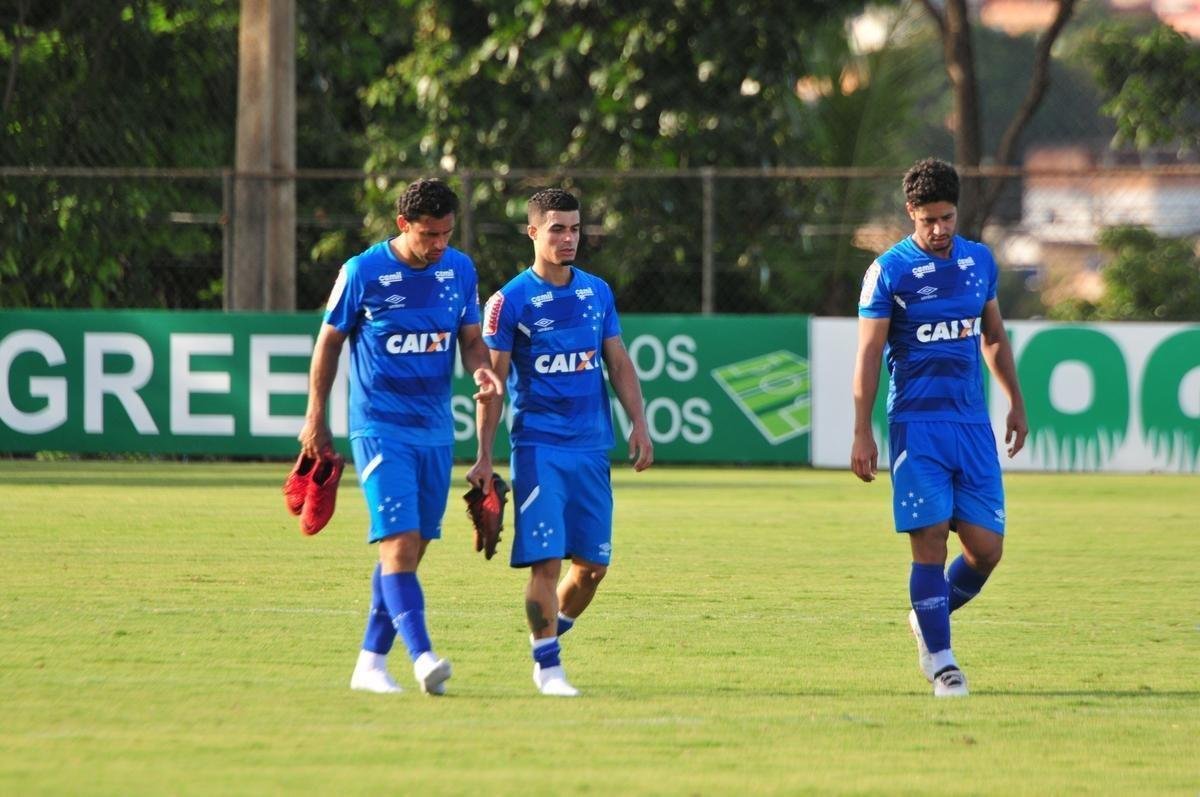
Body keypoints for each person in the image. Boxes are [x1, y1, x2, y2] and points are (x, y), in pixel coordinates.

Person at [298, 177, 502, 696]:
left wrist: (482, 371)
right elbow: (328, 344)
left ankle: (369, 664)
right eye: (429, 234)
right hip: (379, 426)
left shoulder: (459, 269)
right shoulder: (362, 272)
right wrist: (316, 417)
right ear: (403, 225)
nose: (439, 245)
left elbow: (472, 341)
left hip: (434, 430)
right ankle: (423, 657)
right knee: (400, 542)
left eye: (447, 234)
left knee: (411, 549)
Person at [850, 158, 1028, 698]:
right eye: (928, 220)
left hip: (971, 425)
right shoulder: (889, 271)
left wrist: (1015, 402)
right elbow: (869, 354)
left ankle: (927, 616)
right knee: (927, 542)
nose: (940, 229)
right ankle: (943, 663)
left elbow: (992, 337)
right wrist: (863, 430)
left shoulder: (979, 261)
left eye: (947, 217)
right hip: (917, 426)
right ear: (911, 215)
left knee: (986, 549)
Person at [467, 188, 654, 697]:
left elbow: (617, 362)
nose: (569, 238)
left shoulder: (597, 292)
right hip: (539, 447)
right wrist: (484, 455)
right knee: (546, 562)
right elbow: (493, 385)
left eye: (575, 229)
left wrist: (638, 422)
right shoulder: (510, 301)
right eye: (557, 229)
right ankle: (547, 667)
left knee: (592, 568)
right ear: (533, 232)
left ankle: (549, 634)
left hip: (592, 447)